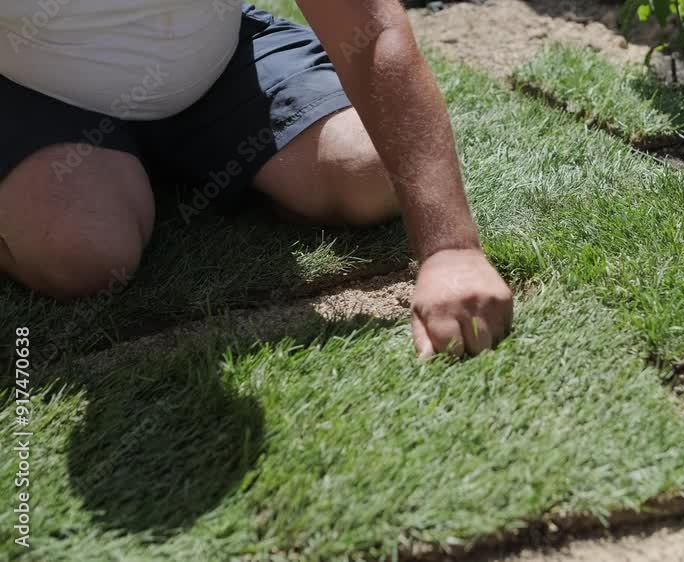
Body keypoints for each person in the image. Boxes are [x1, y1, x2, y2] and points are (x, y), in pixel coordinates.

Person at [0, 0, 514, 357]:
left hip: (213, 57)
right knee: (81, 253)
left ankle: (152, 166)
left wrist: (450, 249)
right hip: (35, 86)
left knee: (369, 172)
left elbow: (372, 31)